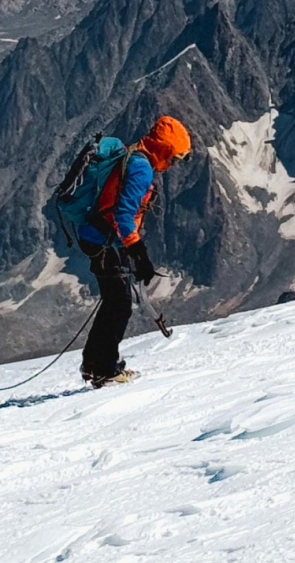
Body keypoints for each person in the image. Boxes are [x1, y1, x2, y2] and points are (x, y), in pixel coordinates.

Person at [77, 115, 191, 388]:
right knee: (119, 304)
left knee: (115, 301)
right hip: (103, 240)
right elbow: (124, 216)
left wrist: (132, 250)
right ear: (164, 149)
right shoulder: (142, 170)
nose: (172, 165)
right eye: (173, 158)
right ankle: (103, 368)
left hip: (99, 236)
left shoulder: (136, 155)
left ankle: (96, 364)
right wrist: (139, 252)